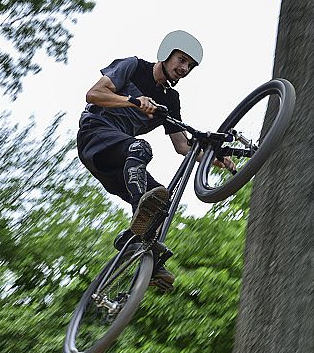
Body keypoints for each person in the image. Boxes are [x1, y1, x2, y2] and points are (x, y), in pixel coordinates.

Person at [76, 30, 233, 290]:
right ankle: (140, 211)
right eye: (181, 60)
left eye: (190, 66)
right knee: (141, 148)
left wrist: (216, 159)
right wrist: (132, 101)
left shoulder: (169, 100)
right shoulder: (133, 67)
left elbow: (183, 146)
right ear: (167, 53)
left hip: (120, 164)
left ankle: (146, 261)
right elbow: (93, 95)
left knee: (162, 201)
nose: (184, 68)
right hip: (96, 134)